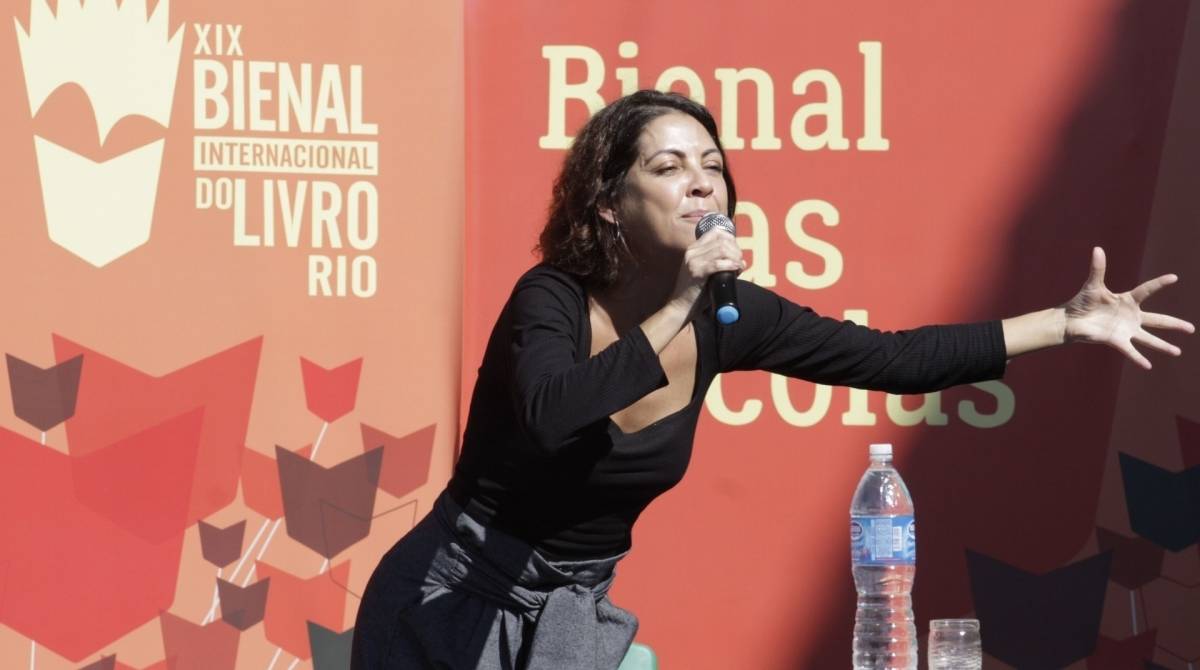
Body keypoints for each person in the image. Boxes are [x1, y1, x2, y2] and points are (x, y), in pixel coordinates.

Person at [350, 90, 1192, 669]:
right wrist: (681, 301)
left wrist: (1065, 323)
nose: (700, 181)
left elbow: (892, 358)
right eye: (669, 166)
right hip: (448, 594)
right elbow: (546, 415)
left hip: (572, 615)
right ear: (608, 203)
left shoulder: (729, 314)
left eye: (710, 164)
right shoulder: (553, 299)